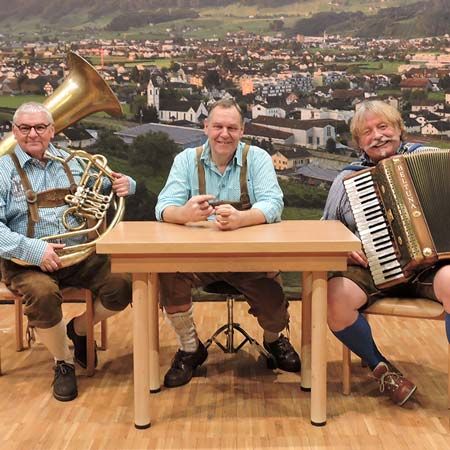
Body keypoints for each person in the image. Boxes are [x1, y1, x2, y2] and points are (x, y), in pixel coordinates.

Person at [155, 98, 300, 388]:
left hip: (249, 259)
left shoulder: (256, 158)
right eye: (218, 126)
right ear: (205, 127)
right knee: (168, 275)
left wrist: (241, 219)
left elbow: (274, 204)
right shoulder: (185, 160)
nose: (224, 133)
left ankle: (273, 340)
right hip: (198, 260)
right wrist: (183, 213)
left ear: (242, 130)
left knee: (273, 309)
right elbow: (163, 207)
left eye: (232, 127)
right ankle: (189, 348)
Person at [0, 102, 136, 402]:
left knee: (125, 283)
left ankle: (80, 329)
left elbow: (110, 183)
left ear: (52, 130)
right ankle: (63, 362)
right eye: (25, 128)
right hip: (26, 261)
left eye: (40, 127)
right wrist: (35, 251)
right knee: (44, 295)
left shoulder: (73, 161)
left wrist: (129, 184)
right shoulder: (2, 169)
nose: (32, 133)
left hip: (81, 254)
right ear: (15, 131)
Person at [323, 100, 450, 406]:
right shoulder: (346, 180)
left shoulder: (428, 158)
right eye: (367, 132)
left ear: (398, 130)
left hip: (431, 268)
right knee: (335, 297)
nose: (377, 135)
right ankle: (380, 368)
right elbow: (326, 228)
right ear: (358, 142)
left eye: (383, 127)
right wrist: (347, 245)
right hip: (372, 267)